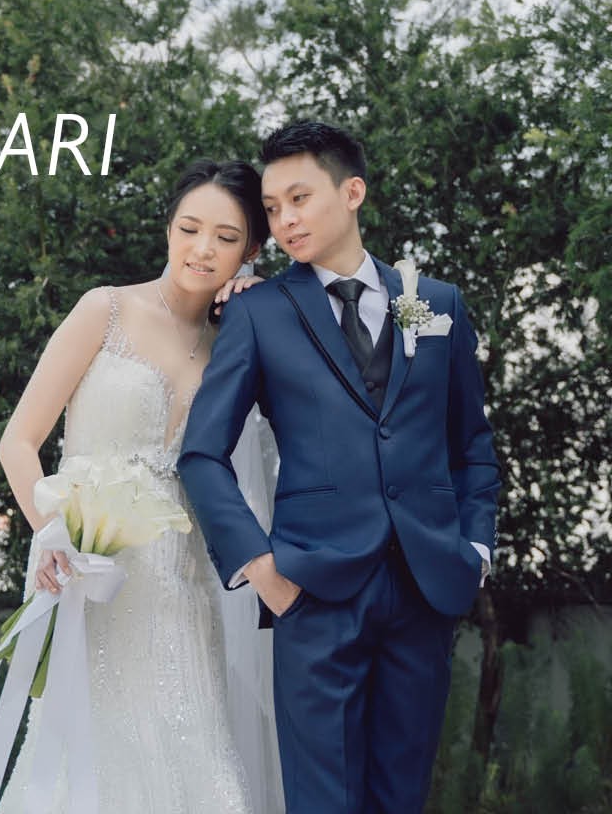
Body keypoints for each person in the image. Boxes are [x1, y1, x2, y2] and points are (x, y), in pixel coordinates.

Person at [178, 120, 501, 814]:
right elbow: (201, 454)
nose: (285, 221)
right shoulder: (260, 312)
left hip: (425, 589)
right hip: (313, 593)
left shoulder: (436, 303)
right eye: (272, 208)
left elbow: (471, 445)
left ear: (352, 192)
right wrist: (262, 570)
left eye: (299, 199)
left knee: (401, 797)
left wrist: (475, 549)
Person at [0, 159, 285, 813]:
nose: (202, 249)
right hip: (89, 576)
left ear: (251, 251)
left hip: (183, 592)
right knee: (86, 772)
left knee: (191, 761)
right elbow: (18, 441)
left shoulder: (236, 342)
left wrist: (265, 304)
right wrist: (52, 534)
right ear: (168, 229)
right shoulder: (106, 309)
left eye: (226, 238)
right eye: (189, 228)